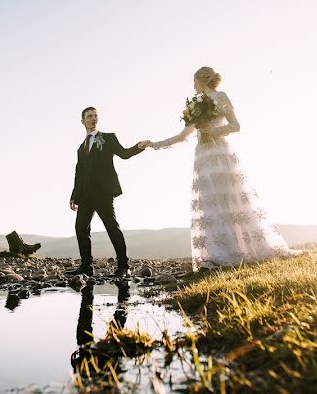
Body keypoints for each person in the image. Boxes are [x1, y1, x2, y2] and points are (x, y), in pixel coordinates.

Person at [145, 67, 299, 270]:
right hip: (202, 158)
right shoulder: (194, 105)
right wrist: (155, 144)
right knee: (211, 204)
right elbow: (183, 136)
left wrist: (214, 131)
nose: (192, 86)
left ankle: (242, 249)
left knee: (229, 200)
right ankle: (217, 254)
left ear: (202, 81)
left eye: (194, 81)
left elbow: (236, 125)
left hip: (220, 155)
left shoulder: (221, 96)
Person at [68, 106, 149, 278]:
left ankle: (123, 266)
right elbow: (79, 173)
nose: (93, 119)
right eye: (89, 116)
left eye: (95, 116)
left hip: (103, 192)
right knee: (80, 228)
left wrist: (139, 147)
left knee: (112, 227)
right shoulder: (80, 148)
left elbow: (125, 154)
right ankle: (86, 266)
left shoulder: (108, 138)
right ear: (82, 121)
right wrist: (74, 196)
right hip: (85, 195)